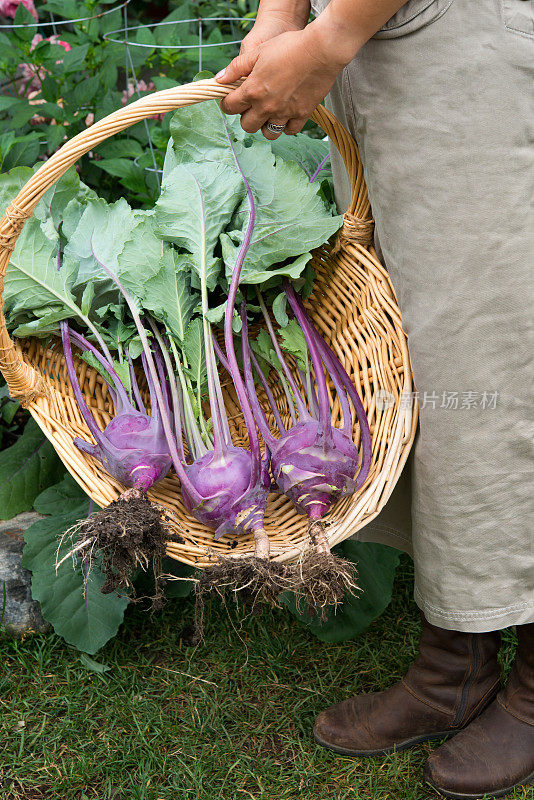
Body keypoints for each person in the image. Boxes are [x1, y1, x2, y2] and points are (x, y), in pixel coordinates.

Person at [215, 1, 534, 797]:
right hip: (378, 36)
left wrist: (330, 38)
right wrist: (284, 14)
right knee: (415, 360)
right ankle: (455, 659)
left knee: (496, 363)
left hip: (469, 39)